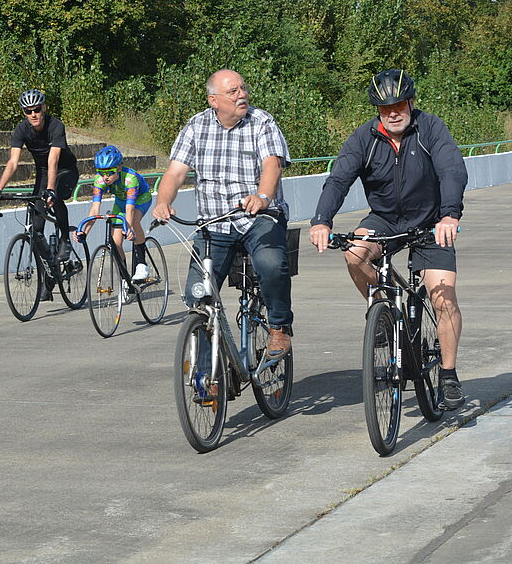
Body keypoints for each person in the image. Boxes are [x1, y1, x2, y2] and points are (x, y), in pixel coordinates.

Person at [308, 69, 469, 410]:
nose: (393, 113)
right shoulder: (364, 138)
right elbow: (338, 180)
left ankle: (449, 375)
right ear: (376, 111)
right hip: (383, 220)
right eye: (384, 108)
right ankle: (385, 304)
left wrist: (449, 214)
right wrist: (322, 221)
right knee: (354, 253)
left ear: (410, 102)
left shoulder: (430, 128)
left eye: (398, 105)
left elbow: (451, 169)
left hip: (430, 222)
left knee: (444, 298)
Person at [152, 69, 294, 358]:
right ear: (213, 100)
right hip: (214, 224)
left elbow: (272, 165)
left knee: (270, 264)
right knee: (197, 294)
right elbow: (176, 173)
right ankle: (207, 381)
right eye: (233, 91)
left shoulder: (262, 122)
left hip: (258, 218)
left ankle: (279, 327)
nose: (242, 95)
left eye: (243, 88)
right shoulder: (196, 126)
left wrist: (263, 197)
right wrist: (164, 202)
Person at [0, 90, 79, 298]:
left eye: (37, 109)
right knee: (36, 230)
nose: (33, 114)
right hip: (43, 173)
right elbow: (13, 162)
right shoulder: (21, 130)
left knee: (54, 194)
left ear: (44, 108)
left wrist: (49, 190)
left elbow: (53, 160)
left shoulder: (56, 126)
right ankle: (48, 277)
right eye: (28, 111)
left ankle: (65, 240)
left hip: (65, 170)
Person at [74, 145, 153, 283]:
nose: (105, 177)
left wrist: (127, 228)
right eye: (101, 172)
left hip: (140, 198)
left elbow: (129, 209)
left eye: (110, 172)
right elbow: (94, 210)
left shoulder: (130, 178)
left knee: (133, 220)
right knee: (116, 243)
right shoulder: (99, 179)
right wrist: (84, 232)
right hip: (121, 201)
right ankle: (125, 279)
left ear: (119, 168)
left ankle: (142, 264)